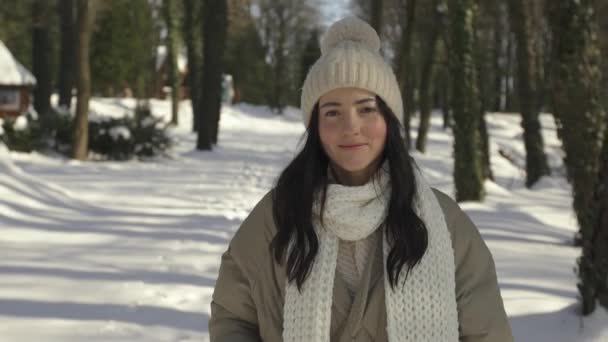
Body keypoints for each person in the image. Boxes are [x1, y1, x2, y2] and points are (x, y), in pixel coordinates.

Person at [209, 16, 513, 342]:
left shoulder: (445, 223)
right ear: (315, 126)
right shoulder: (276, 217)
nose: (350, 126)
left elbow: (487, 333)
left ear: (389, 117)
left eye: (366, 108)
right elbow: (233, 316)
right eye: (332, 112)